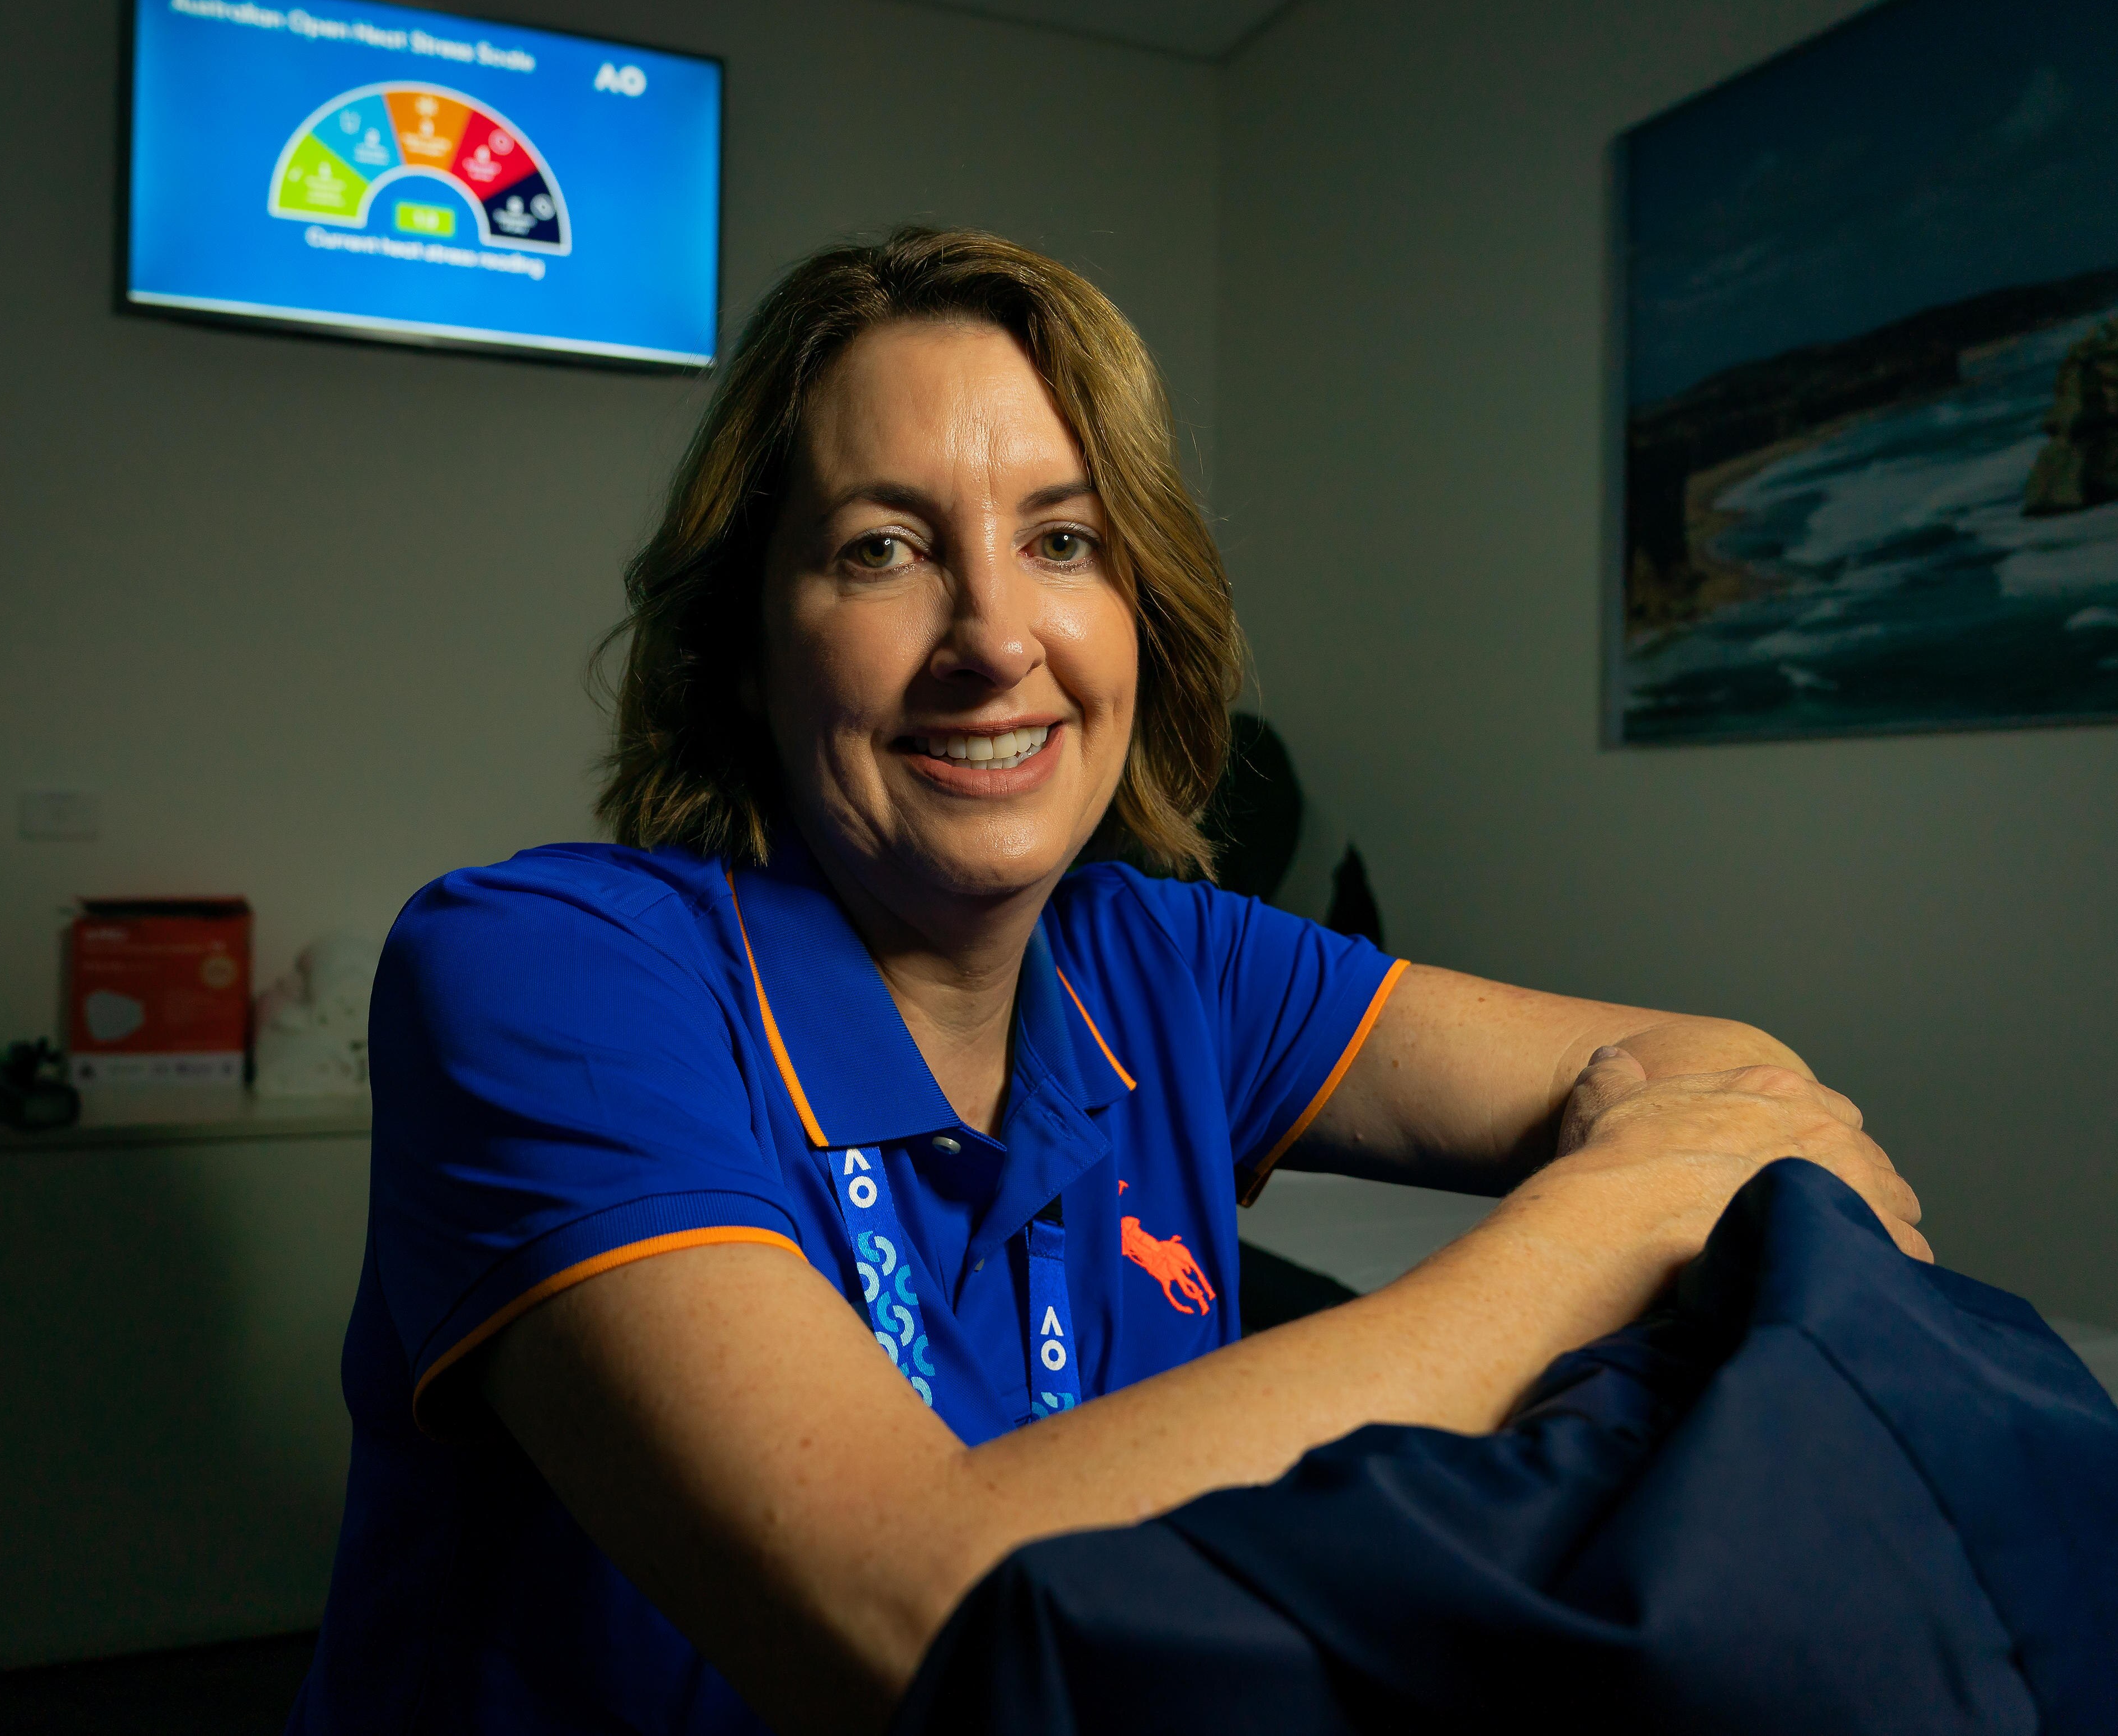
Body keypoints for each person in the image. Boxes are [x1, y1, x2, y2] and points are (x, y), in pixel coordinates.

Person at [284, 229, 1927, 1736]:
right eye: (883, 549)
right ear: (745, 648)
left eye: (1063, 540)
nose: (996, 639)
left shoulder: (1166, 961)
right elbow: (923, 1619)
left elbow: (1730, 1074)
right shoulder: (540, 975)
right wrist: (1615, 1221)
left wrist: (1681, 1166)